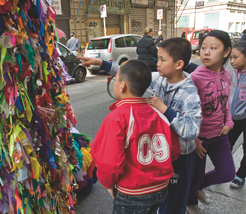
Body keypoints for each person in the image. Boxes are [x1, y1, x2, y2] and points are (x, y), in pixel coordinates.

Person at [78, 37, 202, 214]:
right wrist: (103, 64)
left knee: (174, 206)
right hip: (161, 172)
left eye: (162, 59)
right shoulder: (159, 80)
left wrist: (108, 183)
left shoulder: (189, 93)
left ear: (179, 64)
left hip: (175, 163)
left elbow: (191, 130)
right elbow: (135, 74)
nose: (156, 63)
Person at [90, 59, 181, 214]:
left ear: (122, 86)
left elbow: (109, 162)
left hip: (133, 193)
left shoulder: (118, 117)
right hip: (161, 189)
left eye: (115, 79)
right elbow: (174, 151)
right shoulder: (159, 114)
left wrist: (108, 184)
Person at [187, 30, 235, 214]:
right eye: (203, 47)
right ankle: (191, 202)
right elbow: (187, 111)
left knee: (227, 173)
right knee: (196, 174)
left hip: (220, 135)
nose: (206, 52)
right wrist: (196, 140)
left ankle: (199, 187)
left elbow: (225, 103)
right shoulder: (195, 77)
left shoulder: (227, 75)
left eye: (213, 48)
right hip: (200, 139)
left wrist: (229, 121)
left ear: (226, 52)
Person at [228, 41, 246, 189]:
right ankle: (224, 171)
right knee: (227, 144)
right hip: (234, 116)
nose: (232, 61)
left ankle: (241, 175)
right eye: (231, 58)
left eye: (236, 57)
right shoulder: (235, 71)